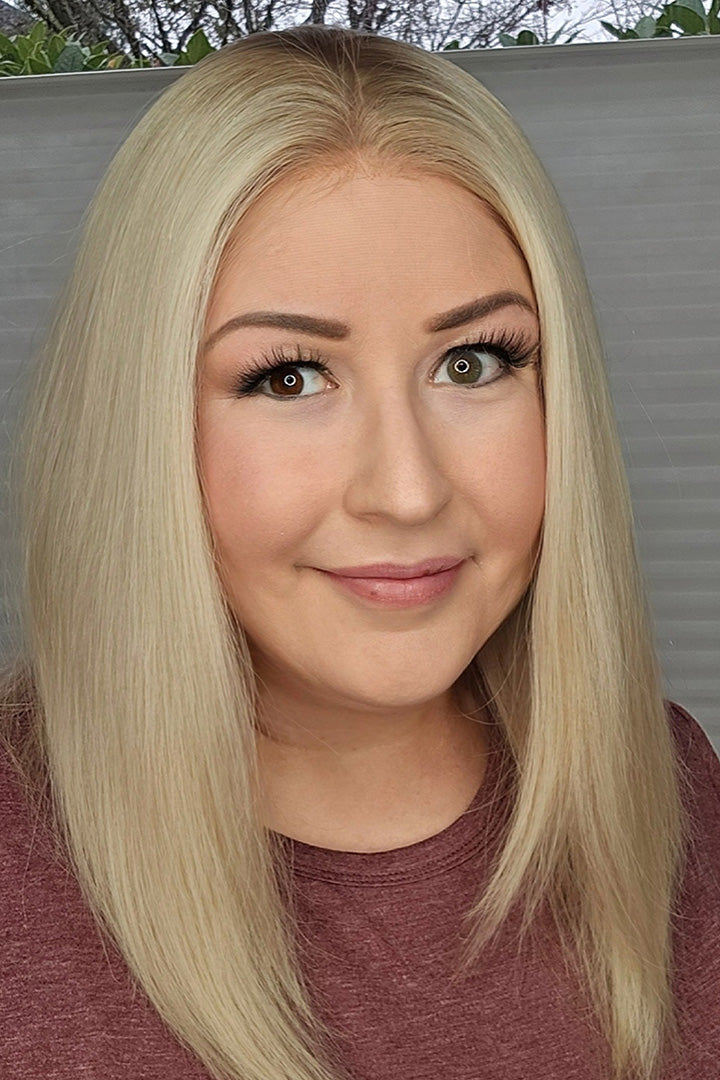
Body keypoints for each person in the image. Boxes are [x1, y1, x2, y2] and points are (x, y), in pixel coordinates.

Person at [1, 22, 718, 1080]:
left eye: (473, 362)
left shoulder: (670, 787)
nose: (409, 489)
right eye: (288, 377)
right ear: (136, 425)